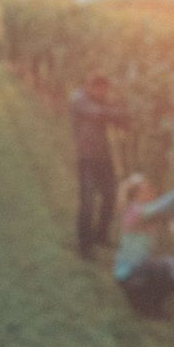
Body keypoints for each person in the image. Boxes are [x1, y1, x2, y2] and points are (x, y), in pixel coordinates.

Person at [112, 173, 174, 318]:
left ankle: (151, 305)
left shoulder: (145, 211)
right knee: (164, 269)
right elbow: (162, 206)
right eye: (146, 190)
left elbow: (168, 210)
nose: (151, 192)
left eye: (151, 189)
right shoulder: (134, 211)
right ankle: (141, 304)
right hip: (129, 273)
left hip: (138, 269)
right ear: (136, 195)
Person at [68, 75, 128, 260]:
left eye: (105, 90)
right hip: (86, 158)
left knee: (110, 195)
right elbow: (100, 113)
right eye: (100, 89)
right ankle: (84, 246)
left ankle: (101, 235)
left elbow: (115, 115)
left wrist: (121, 114)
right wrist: (120, 112)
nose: (103, 93)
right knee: (88, 202)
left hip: (103, 157)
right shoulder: (78, 99)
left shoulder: (100, 100)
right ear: (89, 86)